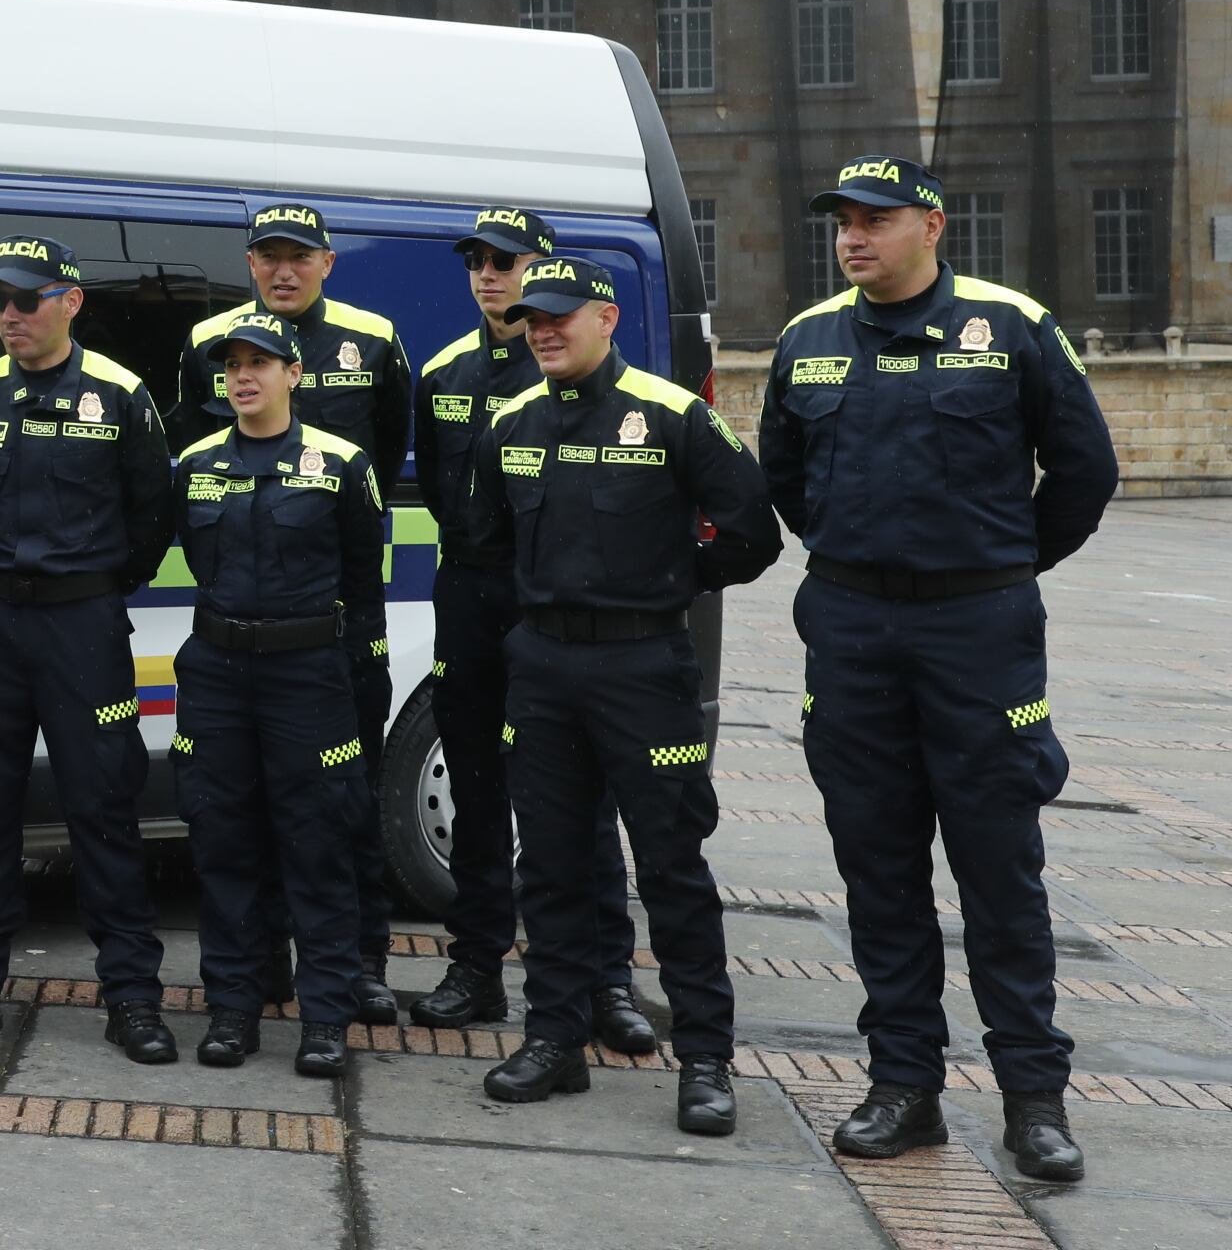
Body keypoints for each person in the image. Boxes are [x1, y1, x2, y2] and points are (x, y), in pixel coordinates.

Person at [761, 156, 1118, 1183]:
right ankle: (903, 1084)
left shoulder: (1010, 327)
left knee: (999, 868)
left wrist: (1004, 560)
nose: (854, 239)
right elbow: (785, 475)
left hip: (979, 630)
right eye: (842, 223)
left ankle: (1034, 1100)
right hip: (854, 626)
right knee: (877, 865)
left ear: (932, 224)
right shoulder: (810, 340)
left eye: (876, 220)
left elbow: (1085, 469)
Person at [463, 256, 779, 1136]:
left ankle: (706, 1061)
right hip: (546, 670)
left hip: (644, 671)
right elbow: (483, 543)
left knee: (673, 867)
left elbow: (753, 533)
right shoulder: (511, 421)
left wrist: (669, 581)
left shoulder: (675, 416)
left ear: (607, 318)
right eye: (532, 317)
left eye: (561, 315)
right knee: (553, 865)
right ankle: (555, 1040)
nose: (543, 330)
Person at [0, 236, 178, 1063]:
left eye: (27, 300)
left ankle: (132, 998)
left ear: (71, 302)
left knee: (103, 811)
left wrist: (92, 589)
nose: (9, 315)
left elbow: (151, 518)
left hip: (83, 628)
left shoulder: (121, 394)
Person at [408, 210, 652, 1057]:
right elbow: (443, 496)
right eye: (477, 261)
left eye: (505, 261)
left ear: (541, 270)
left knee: (580, 796)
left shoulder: (571, 369)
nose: (488, 275)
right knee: (475, 789)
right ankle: (476, 965)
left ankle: (605, 980)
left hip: (549, 601)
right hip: (471, 593)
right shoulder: (442, 373)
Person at [174, 201, 410, 1023]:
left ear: (326, 262)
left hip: (328, 631)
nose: (283, 269)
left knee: (340, 809)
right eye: (267, 255)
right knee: (239, 815)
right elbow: (194, 466)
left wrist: (363, 641)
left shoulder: (373, 338)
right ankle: (259, 972)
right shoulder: (213, 344)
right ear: (249, 265)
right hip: (241, 628)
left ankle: (358, 969)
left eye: (298, 256)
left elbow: (383, 455)